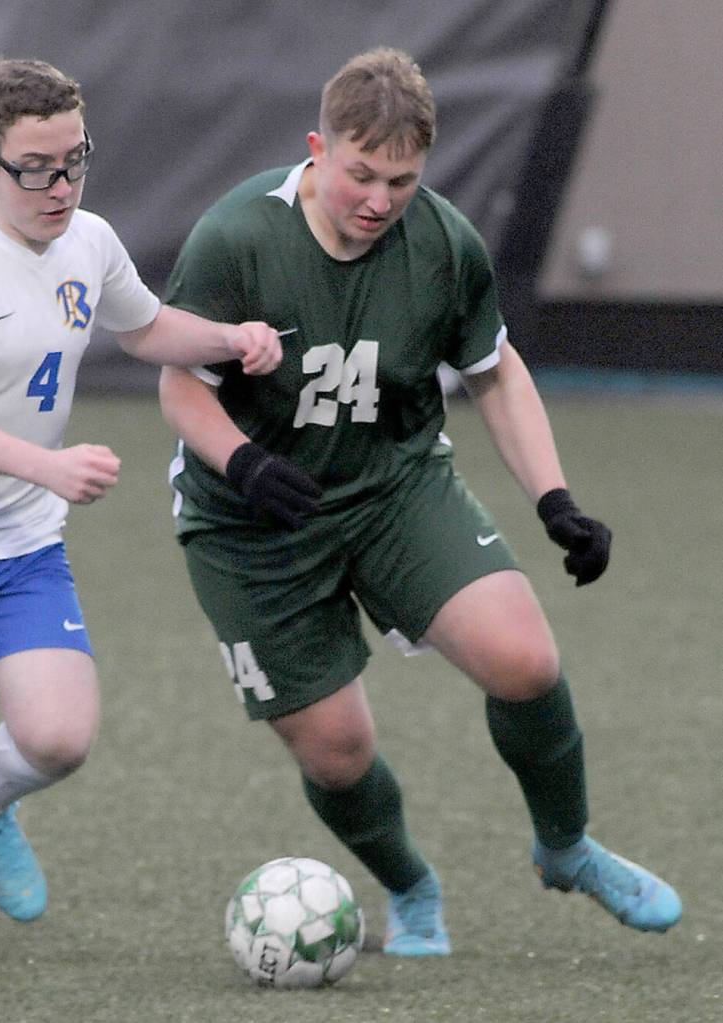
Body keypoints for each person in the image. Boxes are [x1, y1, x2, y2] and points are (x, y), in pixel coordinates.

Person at [158, 47, 681, 955]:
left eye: (400, 180)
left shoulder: (443, 243)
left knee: (524, 660)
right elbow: (180, 387)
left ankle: (565, 848)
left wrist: (555, 499)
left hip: (393, 487)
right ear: (317, 148)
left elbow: (494, 373)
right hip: (252, 527)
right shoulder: (237, 236)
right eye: (360, 173)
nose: (377, 198)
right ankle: (411, 885)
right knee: (335, 750)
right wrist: (242, 463)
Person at [0, 57, 284, 963]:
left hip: (17, 547)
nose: (60, 185)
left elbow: (144, 325)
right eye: (34, 167)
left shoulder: (90, 239)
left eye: (75, 160)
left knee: (58, 737)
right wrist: (46, 465)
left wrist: (230, 339)